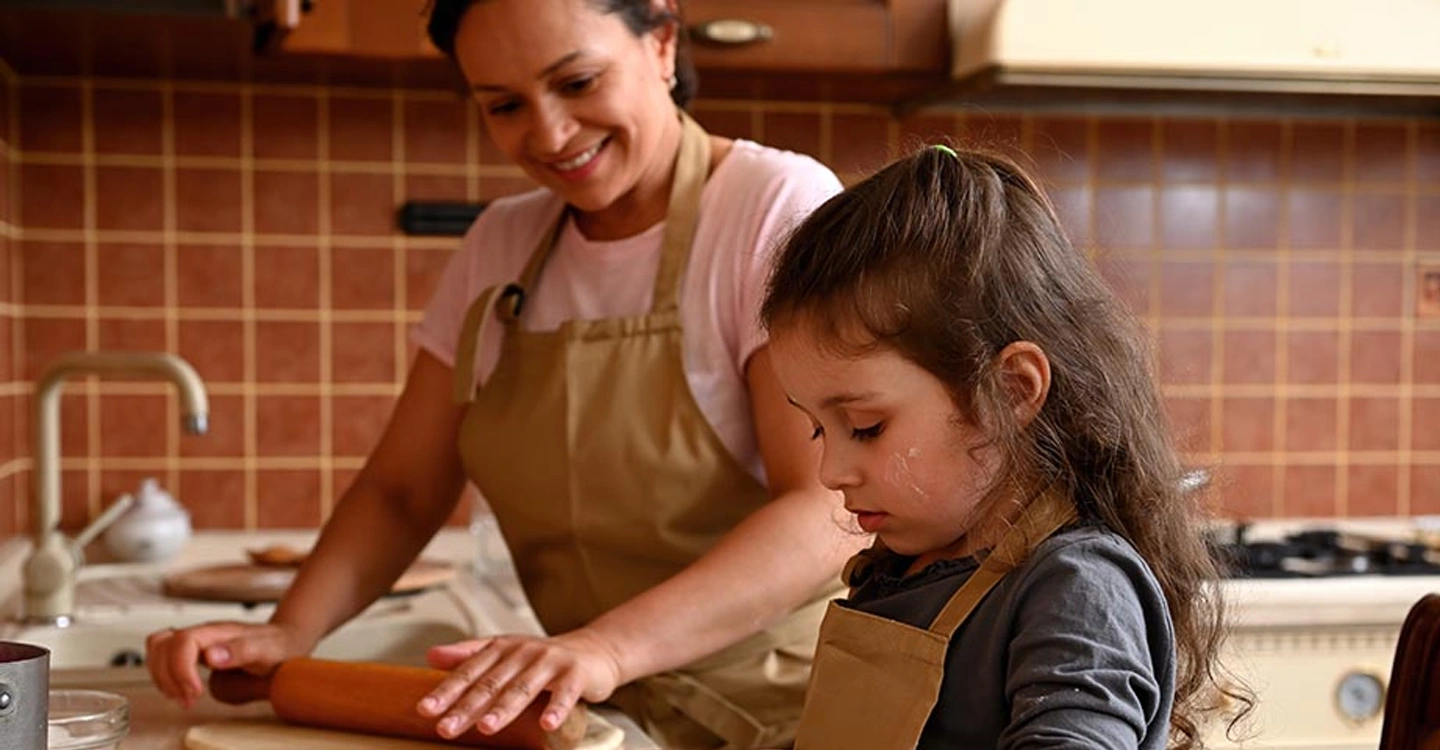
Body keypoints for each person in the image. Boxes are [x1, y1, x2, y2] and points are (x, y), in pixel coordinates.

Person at [145, 0, 863, 747]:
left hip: (787, 707)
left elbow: (825, 508)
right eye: (505, 105)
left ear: (662, 42)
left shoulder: (771, 206)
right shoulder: (502, 243)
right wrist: (291, 629)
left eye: (578, 82)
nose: (549, 134)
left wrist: (607, 647)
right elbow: (402, 491)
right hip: (598, 714)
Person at [760, 145, 1250, 749]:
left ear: (1011, 391)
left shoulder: (1077, 589)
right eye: (816, 428)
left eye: (865, 426)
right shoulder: (905, 567)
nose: (832, 470)